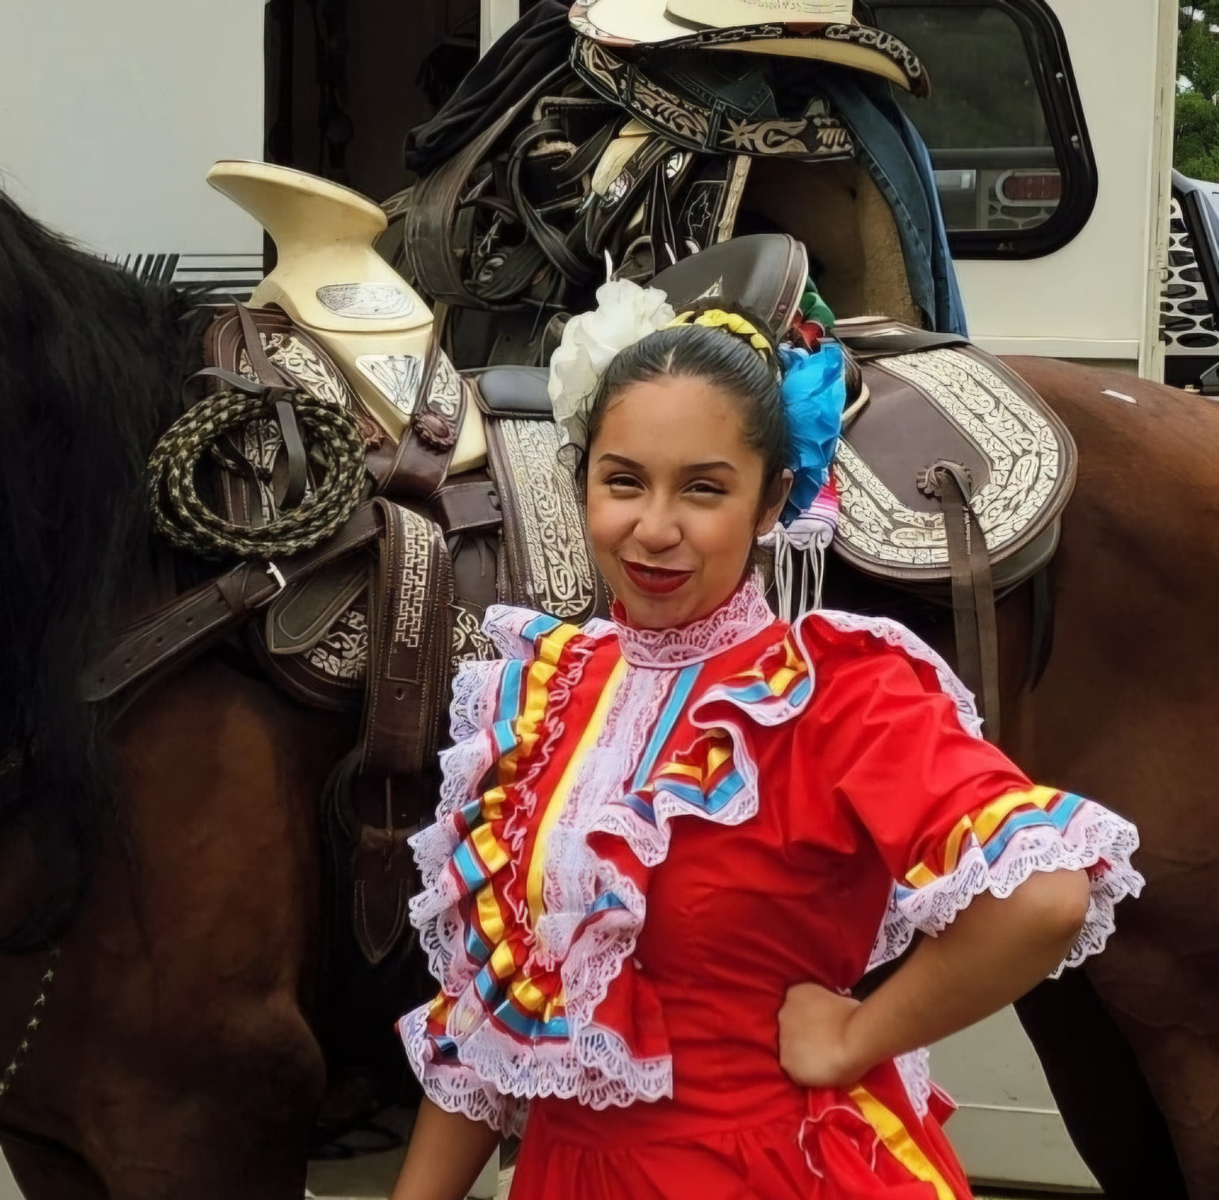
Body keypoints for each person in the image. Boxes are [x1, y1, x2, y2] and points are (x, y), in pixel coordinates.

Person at [388, 283, 1143, 1200]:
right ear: (581, 478)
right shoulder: (541, 699)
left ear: (773, 499)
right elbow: (490, 1027)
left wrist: (860, 1036)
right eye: (623, 480)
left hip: (776, 1172)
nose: (654, 529)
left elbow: (1045, 897)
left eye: (704, 489)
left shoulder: (841, 691)